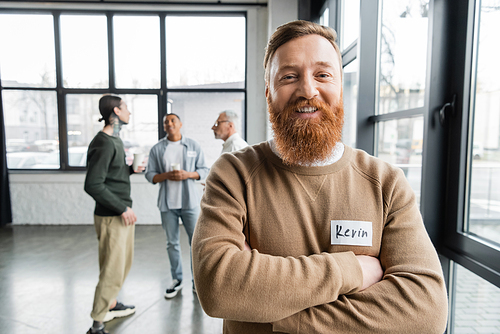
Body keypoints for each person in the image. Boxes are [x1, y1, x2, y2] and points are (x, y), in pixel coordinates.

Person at [192, 20, 448, 333]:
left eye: (323, 75)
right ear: (268, 91)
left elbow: (425, 311)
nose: (308, 90)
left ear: (340, 87)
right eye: (289, 76)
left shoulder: (386, 182)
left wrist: (263, 312)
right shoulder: (233, 174)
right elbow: (218, 287)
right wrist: (351, 269)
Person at [84, 95, 142, 334]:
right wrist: (122, 208)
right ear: (116, 111)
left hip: (119, 214)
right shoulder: (105, 142)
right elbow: (93, 185)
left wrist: (129, 170)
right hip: (113, 216)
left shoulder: (115, 140)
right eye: (126, 108)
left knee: (121, 266)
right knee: (112, 270)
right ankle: (97, 324)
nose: (129, 112)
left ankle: (111, 303)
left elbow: (110, 176)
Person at [145, 113, 209, 298]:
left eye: (173, 120)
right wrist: (166, 175)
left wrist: (187, 175)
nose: (169, 123)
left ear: (180, 124)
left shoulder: (193, 145)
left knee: (195, 243)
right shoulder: (158, 149)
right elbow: (150, 175)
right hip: (167, 205)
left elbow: (204, 170)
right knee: (171, 243)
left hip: (190, 203)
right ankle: (177, 279)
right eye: (166, 122)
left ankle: (197, 282)